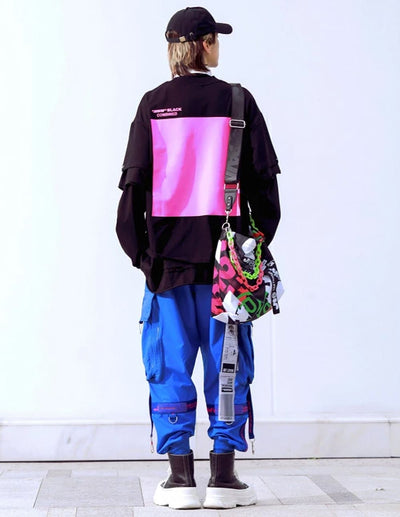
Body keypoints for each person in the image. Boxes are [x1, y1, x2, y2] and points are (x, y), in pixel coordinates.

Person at [116, 6, 281, 510]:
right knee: (228, 368)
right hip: (226, 274)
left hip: (167, 268)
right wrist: (252, 252)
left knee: (168, 366)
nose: (218, 46)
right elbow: (264, 191)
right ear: (205, 44)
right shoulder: (238, 101)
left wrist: (145, 259)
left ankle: (180, 478)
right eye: (216, 39)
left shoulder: (152, 105)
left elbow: (131, 196)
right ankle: (223, 479)